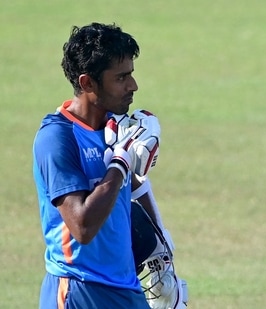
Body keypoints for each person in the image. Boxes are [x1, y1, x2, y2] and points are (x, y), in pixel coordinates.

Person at [33, 22, 186, 308]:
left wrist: (162, 249)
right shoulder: (57, 137)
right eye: (121, 77)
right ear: (87, 83)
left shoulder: (115, 128)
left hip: (126, 288)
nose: (133, 86)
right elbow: (82, 226)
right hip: (79, 290)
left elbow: (135, 184)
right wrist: (120, 162)